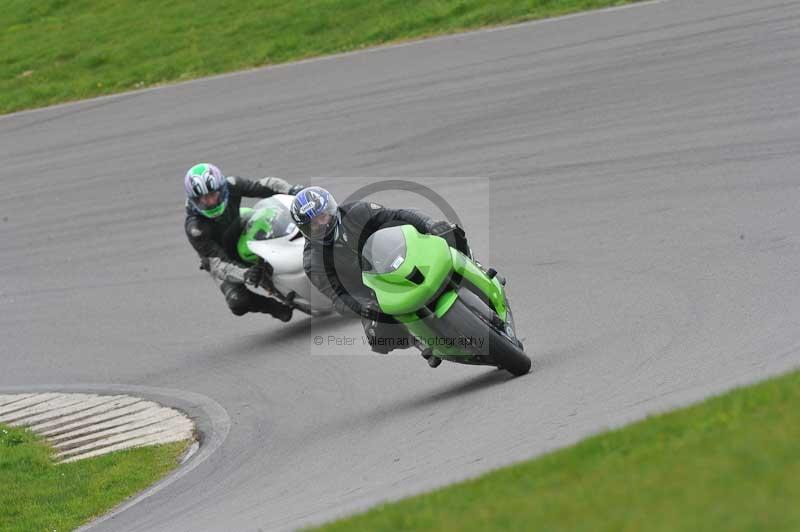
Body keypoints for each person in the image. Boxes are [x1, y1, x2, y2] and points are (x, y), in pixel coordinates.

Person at [290, 186, 471, 353]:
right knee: (378, 338)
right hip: (370, 292)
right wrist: (362, 306)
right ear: (304, 229)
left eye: (322, 217)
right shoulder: (312, 261)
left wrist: (429, 224)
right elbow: (337, 297)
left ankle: (472, 266)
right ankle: (418, 340)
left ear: (330, 210)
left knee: (448, 231)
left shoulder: (358, 211)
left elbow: (398, 215)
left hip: (398, 256)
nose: (321, 225)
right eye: (313, 224)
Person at [184, 163, 305, 321]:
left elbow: (264, 185)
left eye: (213, 194)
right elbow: (216, 262)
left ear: (221, 188)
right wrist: (245, 274)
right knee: (237, 302)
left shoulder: (232, 184)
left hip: (239, 226)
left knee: (274, 216)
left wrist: (292, 190)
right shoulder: (195, 228)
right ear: (195, 200)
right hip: (221, 258)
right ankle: (271, 306)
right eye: (204, 199)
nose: (211, 201)